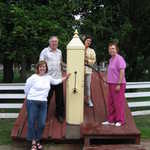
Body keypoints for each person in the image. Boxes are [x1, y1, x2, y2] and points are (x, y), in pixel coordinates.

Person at [24, 60, 70, 150]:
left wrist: (66, 77)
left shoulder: (48, 78)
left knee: (41, 123)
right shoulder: (33, 77)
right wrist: (28, 97)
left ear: (46, 68)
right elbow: (27, 88)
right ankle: (34, 142)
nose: (42, 68)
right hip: (32, 101)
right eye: (41, 67)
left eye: (44, 67)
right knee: (32, 122)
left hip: (43, 103)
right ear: (38, 68)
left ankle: (37, 140)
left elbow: (56, 82)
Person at [39, 36, 66, 123]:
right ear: (49, 42)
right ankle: (43, 115)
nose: (54, 43)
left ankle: (59, 115)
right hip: (48, 79)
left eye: (56, 42)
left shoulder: (59, 52)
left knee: (60, 99)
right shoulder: (44, 51)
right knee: (46, 98)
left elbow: (61, 63)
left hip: (58, 78)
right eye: (53, 41)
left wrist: (69, 66)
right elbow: (41, 63)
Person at [102, 41, 126, 127]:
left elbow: (122, 72)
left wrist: (118, 84)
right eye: (110, 49)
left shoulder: (119, 58)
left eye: (113, 48)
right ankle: (111, 120)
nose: (111, 50)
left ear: (116, 50)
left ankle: (120, 120)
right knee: (111, 103)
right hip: (111, 84)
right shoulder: (111, 59)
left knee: (118, 103)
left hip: (119, 84)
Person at [84, 36, 96, 107]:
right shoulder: (79, 49)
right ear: (84, 41)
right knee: (80, 85)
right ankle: (80, 100)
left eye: (90, 41)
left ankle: (89, 100)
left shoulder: (92, 51)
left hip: (88, 70)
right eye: (87, 40)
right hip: (79, 70)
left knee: (88, 86)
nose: (88, 42)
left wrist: (87, 60)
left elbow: (93, 60)